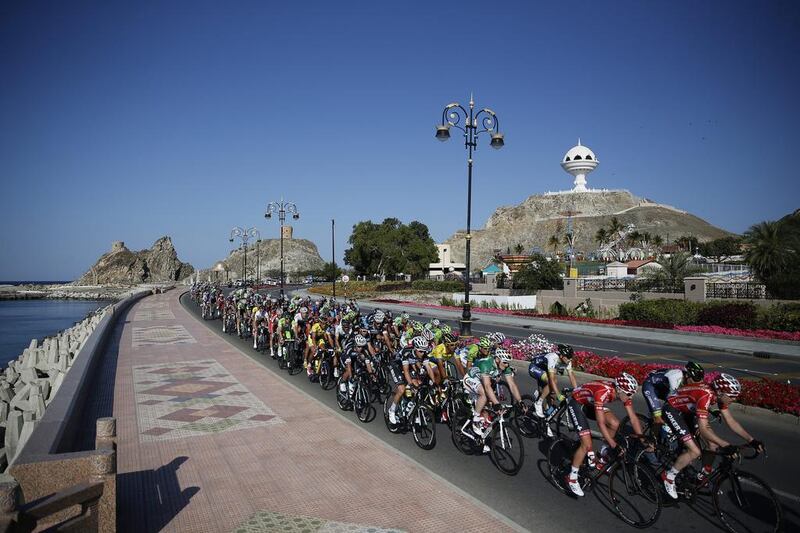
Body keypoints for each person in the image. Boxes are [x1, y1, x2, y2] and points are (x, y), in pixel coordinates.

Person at [662, 373, 763, 499]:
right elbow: (704, 430)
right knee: (694, 451)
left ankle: (702, 475)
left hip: (688, 410)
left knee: (713, 444)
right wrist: (726, 445)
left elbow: (730, 421)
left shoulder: (719, 396)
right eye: (732, 396)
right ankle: (669, 476)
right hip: (672, 410)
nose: (734, 399)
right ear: (721, 392)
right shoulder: (706, 395)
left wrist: (752, 440)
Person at [565, 373, 643, 497]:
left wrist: (642, 438)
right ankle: (572, 477)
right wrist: (613, 444)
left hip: (590, 402)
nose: (631, 396)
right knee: (586, 444)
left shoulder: (622, 394)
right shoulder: (603, 392)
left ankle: (602, 456)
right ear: (619, 390)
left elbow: (633, 418)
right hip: (577, 403)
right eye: (629, 394)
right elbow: (600, 423)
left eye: (632, 393)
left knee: (615, 424)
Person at [642, 361, 704, 426]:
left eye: (698, 380)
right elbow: (672, 399)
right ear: (687, 375)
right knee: (659, 418)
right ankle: (655, 426)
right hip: (650, 386)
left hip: (664, 388)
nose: (696, 383)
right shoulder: (676, 376)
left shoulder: (690, 381)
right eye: (695, 379)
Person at [529, 343, 578, 418]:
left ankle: (546, 418)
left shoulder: (567, 361)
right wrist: (558, 394)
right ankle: (539, 403)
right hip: (535, 367)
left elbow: (571, 376)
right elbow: (552, 379)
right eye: (568, 357)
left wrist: (577, 390)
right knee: (554, 382)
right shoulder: (553, 358)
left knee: (552, 397)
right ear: (561, 356)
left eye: (571, 357)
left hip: (545, 370)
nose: (570, 359)